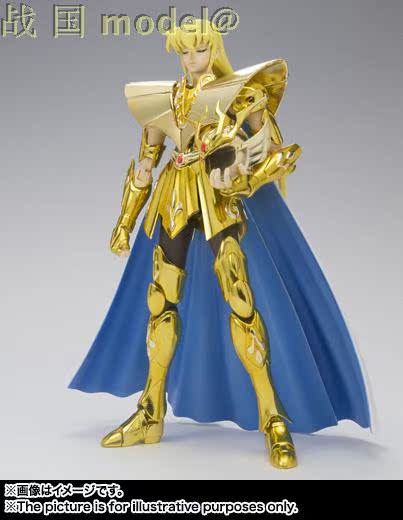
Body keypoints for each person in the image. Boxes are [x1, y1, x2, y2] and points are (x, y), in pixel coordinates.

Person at [69, 20, 372, 470]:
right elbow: (145, 165)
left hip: (219, 199)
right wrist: (125, 221)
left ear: (214, 50)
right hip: (175, 194)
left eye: (200, 50)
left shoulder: (239, 93)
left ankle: (272, 417)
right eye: (185, 52)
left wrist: (245, 175)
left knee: (240, 298)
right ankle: (150, 412)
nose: (192, 60)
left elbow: (275, 152)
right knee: (160, 299)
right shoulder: (163, 100)